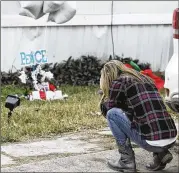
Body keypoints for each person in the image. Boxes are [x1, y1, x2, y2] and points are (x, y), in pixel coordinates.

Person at [99, 60, 178, 172]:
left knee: (112, 114)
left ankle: (126, 161)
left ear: (108, 75)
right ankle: (161, 154)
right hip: (171, 137)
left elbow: (108, 110)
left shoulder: (118, 82)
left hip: (152, 141)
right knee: (147, 116)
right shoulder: (145, 79)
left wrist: (103, 96)